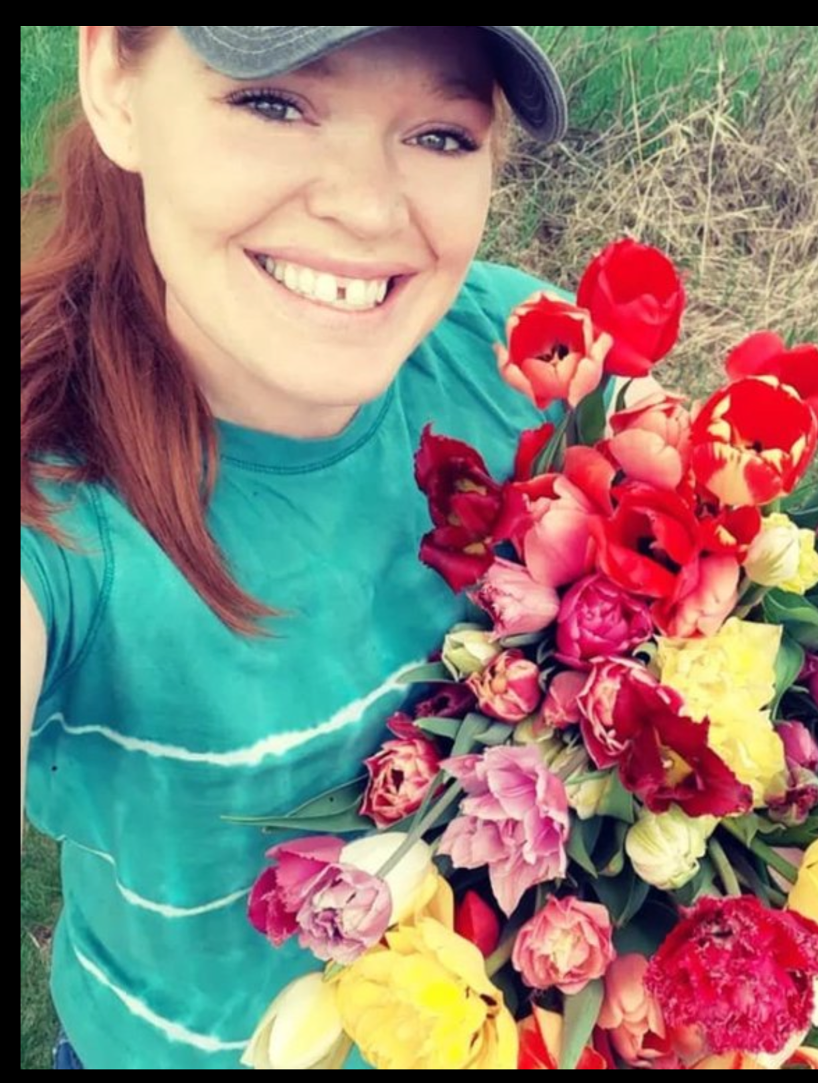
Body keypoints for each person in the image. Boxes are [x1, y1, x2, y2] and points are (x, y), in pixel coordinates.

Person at [20, 26, 568, 1070]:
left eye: (442, 134)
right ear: (114, 83)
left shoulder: (530, 363)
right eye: (273, 103)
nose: (368, 208)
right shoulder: (56, 511)